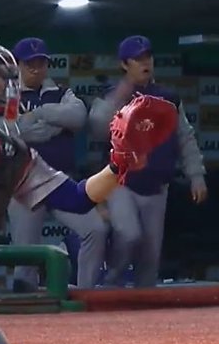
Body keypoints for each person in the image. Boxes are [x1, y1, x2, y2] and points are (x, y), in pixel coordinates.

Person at [0, 38, 177, 344]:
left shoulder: (9, 151)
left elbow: (76, 199)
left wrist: (119, 164)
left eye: (3, 77)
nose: (1, 85)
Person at [88, 35, 206, 287]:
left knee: (150, 256)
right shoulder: (112, 95)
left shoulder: (168, 97)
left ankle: (145, 305)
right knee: (129, 235)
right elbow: (97, 129)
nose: (145, 63)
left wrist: (196, 176)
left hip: (157, 184)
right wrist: (119, 97)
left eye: (148, 57)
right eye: (138, 59)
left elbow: (185, 137)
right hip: (120, 182)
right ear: (124, 64)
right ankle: (113, 282)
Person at [7, 37, 109, 290]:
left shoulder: (61, 92)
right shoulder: (7, 95)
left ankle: (86, 293)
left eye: (41, 63)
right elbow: (13, 130)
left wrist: (39, 114)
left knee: (95, 230)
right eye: (30, 64)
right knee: (26, 256)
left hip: (59, 179)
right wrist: (55, 125)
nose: (36, 69)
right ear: (17, 65)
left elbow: (77, 116)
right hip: (23, 183)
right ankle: (26, 305)